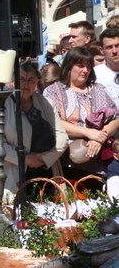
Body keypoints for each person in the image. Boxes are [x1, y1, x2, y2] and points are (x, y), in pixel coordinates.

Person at [0, 63, 67, 193]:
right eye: (22, 79)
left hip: (45, 169)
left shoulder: (46, 103)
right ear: (13, 81)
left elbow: (61, 137)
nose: (26, 84)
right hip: (13, 171)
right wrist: (25, 159)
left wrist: (44, 158)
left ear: (36, 82)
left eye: (31, 80)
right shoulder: (0, 104)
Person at [43, 47, 119, 177]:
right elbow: (52, 120)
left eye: (88, 66)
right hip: (65, 161)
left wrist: (100, 137)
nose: (85, 70)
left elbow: (116, 117)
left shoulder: (98, 89)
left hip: (98, 163)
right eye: (80, 66)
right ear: (69, 66)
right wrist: (89, 133)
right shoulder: (53, 91)